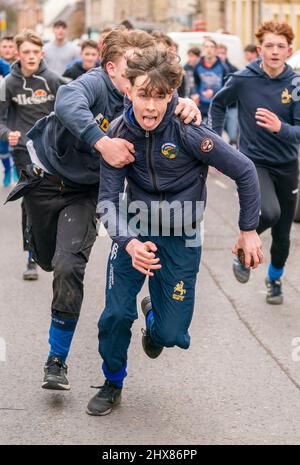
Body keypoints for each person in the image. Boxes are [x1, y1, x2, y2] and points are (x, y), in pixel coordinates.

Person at [6, 28, 201, 392]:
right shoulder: (95, 83)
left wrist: (188, 106)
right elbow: (66, 101)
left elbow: (165, 101)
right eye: (131, 65)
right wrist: (102, 142)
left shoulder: (138, 94)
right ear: (111, 68)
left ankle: (56, 360)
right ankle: (37, 242)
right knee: (48, 259)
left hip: (85, 193)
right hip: (46, 181)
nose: (138, 72)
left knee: (68, 267)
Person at [86, 47, 263, 416]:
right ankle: (112, 381)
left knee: (170, 336)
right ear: (128, 91)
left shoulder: (188, 130)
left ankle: (154, 317)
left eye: (160, 96)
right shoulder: (118, 135)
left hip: (182, 237)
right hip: (133, 233)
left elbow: (244, 171)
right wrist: (128, 241)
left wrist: (248, 230)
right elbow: (106, 200)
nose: (150, 107)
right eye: (142, 95)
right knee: (116, 316)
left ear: (172, 95)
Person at [209, 21, 300, 304]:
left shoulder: (296, 84)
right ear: (260, 49)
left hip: (286, 164)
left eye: (280, 46)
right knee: (269, 213)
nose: (274, 51)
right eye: (269, 46)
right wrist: (217, 143)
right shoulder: (243, 79)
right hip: (253, 163)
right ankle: (244, 245)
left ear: (290, 50)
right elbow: (218, 104)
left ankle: (273, 279)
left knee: (283, 236)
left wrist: (279, 128)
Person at [0, 29, 64, 279]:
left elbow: (70, 111)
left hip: (53, 151)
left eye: (35, 52)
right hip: (23, 152)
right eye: (26, 52)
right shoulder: (9, 84)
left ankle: (59, 248)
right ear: (18, 54)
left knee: (58, 200)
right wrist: (7, 134)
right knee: (31, 201)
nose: (31, 56)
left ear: (42, 53)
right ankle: (31, 257)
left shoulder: (54, 80)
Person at [192, 38, 228, 121]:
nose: (209, 49)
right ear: (203, 49)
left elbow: (226, 86)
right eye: (206, 47)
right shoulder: (198, 66)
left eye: (212, 47)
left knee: (215, 132)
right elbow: (195, 83)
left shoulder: (223, 67)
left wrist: (214, 92)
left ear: (216, 50)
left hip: (217, 104)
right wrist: (195, 94)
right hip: (202, 104)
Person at [217, 43, 238, 145]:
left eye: (223, 53)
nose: (221, 55)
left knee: (233, 133)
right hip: (218, 104)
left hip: (232, 105)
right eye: (219, 53)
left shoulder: (233, 69)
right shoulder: (214, 69)